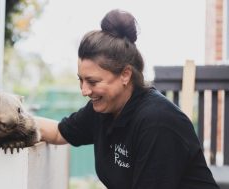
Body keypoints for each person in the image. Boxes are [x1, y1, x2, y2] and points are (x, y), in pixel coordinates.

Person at [36, 9, 219, 189]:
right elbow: (59, 132)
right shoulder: (103, 109)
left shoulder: (157, 123)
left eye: (92, 81)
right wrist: (15, 118)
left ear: (125, 74)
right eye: (81, 80)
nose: (84, 90)